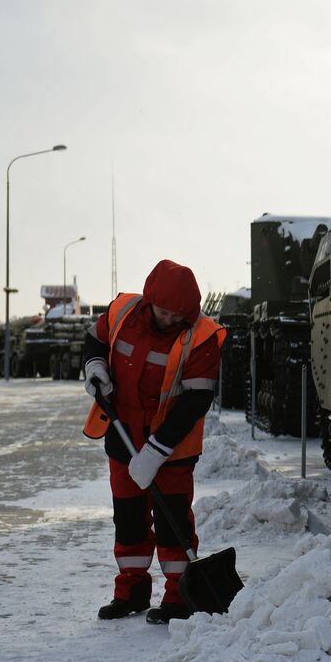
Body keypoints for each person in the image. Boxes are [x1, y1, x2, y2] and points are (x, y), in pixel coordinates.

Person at [81, 260, 226, 624]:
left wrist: (157, 451)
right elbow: (95, 340)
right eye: (163, 311)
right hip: (123, 435)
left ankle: (179, 596)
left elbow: (195, 401)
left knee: (172, 519)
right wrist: (95, 368)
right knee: (128, 518)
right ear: (150, 301)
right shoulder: (123, 311)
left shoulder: (202, 336)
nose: (169, 319)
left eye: (178, 314)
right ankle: (131, 591)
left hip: (172, 449)